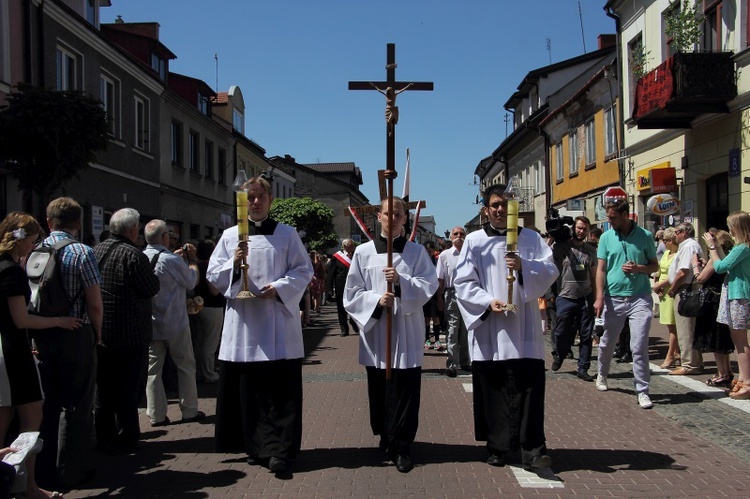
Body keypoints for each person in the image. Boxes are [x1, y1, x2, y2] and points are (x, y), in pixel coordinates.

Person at [207, 176, 313, 474]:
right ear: (242, 202)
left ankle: (281, 450)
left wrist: (279, 287)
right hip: (243, 324)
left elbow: (304, 270)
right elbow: (213, 277)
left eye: (260, 197)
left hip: (275, 320)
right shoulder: (229, 237)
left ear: (270, 200)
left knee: (280, 392)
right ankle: (254, 445)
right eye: (249, 198)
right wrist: (233, 263)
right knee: (249, 391)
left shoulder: (287, 234)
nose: (255, 202)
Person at [454, 184, 559, 469]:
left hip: (524, 326)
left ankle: (533, 449)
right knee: (494, 386)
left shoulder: (531, 238)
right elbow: (462, 282)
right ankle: (497, 446)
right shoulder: (474, 241)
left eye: (505, 205)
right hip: (492, 326)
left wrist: (524, 266)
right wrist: (487, 301)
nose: (500, 210)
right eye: (495, 205)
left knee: (528, 386)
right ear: (486, 209)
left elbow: (550, 271)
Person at [344, 196, 438, 473]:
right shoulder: (363, 253)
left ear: (405, 219)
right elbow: (351, 294)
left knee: (406, 388)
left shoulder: (416, 252)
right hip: (377, 333)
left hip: (406, 332)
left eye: (398, 214)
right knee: (380, 388)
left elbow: (428, 286)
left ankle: (403, 445)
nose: (393, 219)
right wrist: (375, 301)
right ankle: (386, 436)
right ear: (379, 217)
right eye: (388, 214)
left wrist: (401, 282)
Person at [0, 211, 82, 499]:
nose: (36, 245)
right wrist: (59, 321)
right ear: (22, 239)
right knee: (31, 418)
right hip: (11, 354)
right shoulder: (10, 270)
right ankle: (29, 487)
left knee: (6, 418)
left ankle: (15, 485)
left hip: (7, 350)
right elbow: (21, 319)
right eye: (33, 239)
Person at [33, 197, 102, 490]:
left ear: (49, 222)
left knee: (48, 402)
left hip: (42, 334)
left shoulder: (35, 250)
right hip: (76, 333)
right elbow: (95, 302)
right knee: (77, 403)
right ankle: (72, 469)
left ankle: (42, 468)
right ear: (78, 222)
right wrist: (97, 333)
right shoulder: (82, 252)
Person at [93, 208, 160, 455]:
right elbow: (150, 288)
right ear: (132, 230)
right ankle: (128, 436)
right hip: (130, 333)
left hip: (101, 331)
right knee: (129, 389)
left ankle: (103, 436)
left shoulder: (96, 250)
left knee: (104, 389)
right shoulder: (133, 255)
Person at [594, 199, 659, 409]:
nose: (609, 220)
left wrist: (639, 268)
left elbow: (654, 266)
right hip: (614, 298)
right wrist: (599, 296)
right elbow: (601, 269)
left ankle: (642, 390)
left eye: (612, 217)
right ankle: (602, 374)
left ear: (625, 215)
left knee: (638, 345)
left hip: (640, 297)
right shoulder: (605, 237)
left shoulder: (645, 236)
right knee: (608, 342)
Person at [143, 220, 205, 427]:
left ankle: (156, 414)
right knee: (185, 366)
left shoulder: (141, 257)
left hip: (151, 323)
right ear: (163, 237)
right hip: (176, 321)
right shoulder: (171, 260)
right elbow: (190, 281)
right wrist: (193, 261)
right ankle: (189, 410)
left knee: (153, 371)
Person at [705, 212, 750, 399]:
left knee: (740, 342)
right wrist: (715, 247)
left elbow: (720, 267)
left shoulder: (743, 248)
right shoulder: (741, 248)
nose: (729, 230)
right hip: (736, 295)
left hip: (739, 295)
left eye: (731, 226)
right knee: (738, 340)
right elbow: (726, 263)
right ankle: (743, 379)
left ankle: (746, 382)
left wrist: (711, 248)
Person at [549, 216, 597, 382]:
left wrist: (597, 298)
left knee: (586, 334)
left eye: (584, 228)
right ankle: (560, 354)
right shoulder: (562, 247)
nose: (581, 231)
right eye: (578, 228)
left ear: (587, 231)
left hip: (585, 296)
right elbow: (547, 253)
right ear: (573, 228)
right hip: (565, 296)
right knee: (561, 331)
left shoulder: (590, 251)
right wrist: (556, 231)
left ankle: (583, 368)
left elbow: (594, 275)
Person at [694, 229, 735, 387]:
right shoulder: (728, 256)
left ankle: (722, 373)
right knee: (723, 337)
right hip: (722, 298)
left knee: (716, 337)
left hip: (712, 301)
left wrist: (696, 267)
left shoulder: (715, 257)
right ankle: (727, 371)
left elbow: (701, 279)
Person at [665, 222, 704, 375]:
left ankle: (689, 363)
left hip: (685, 290)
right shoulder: (688, 245)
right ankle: (694, 361)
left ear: (684, 232)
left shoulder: (689, 246)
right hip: (687, 289)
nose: (675, 235)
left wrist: (673, 289)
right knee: (689, 328)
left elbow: (683, 272)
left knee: (686, 328)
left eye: (677, 232)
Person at [436, 226, 470, 377]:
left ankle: (465, 361)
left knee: (466, 329)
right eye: (455, 233)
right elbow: (440, 279)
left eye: (462, 234)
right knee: (452, 329)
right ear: (451, 237)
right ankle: (452, 364)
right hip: (451, 293)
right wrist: (439, 298)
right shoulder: (444, 255)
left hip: (469, 293)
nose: (459, 236)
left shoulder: (470, 253)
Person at [194, 239, 225, 384]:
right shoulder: (210, 266)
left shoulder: (197, 265)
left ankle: (200, 370)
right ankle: (209, 373)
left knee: (201, 341)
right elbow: (214, 290)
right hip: (213, 307)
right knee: (211, 342)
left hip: (200, 307)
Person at [652, 227, 680, 369]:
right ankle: (677, 352)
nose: (664, 243)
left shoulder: (677, 255)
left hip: (671, 290)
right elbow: (659, 268)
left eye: (666, 240)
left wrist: (659, 285)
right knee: (669, 324)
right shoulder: (667, 253)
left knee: (673, 325)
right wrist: (656, 283)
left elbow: (674, 275)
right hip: (662, 290)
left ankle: (671, 355)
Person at [326, 239, 358, 337]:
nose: (352, 248)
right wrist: (329, 288)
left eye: (352, 246)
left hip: (355, 287)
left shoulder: (356, 255)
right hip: (341, 287)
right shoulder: (337, 257)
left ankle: (354, 322)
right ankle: (344, 329)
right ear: (344, 247)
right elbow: (331, 274)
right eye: (349, 246)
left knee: (355, 307)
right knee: (341, 309)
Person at [422, 240, 443, 351]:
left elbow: (440, 277)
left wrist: (440, 296)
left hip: (435, 292)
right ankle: (427, 340)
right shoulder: (421, 262)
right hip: (425, 293)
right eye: (427, 250)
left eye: (430, 250)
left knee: (436, 318)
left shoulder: (437, 261)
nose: (429, 252)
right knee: (426, 318)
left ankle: (437, 339)